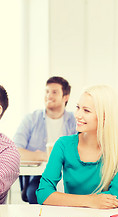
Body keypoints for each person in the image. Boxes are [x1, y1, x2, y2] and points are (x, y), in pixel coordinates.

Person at [36, 85, 118, 209]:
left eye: (86, 110)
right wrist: (90, 201)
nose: (77, 115)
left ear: (105, 116)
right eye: (78, 108)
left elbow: (115, 197)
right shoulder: (63, 145)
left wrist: (74, 200)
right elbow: (43, 194)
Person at [13, 76, 77, 204]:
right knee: (35, 194)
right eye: (47, 91)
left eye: (54, 92)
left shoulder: (76, 120)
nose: (49, 96)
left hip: (70, 176)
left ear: (66, 97)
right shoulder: (31, 119)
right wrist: (45, 156)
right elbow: (15, 151)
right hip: (40, 177)